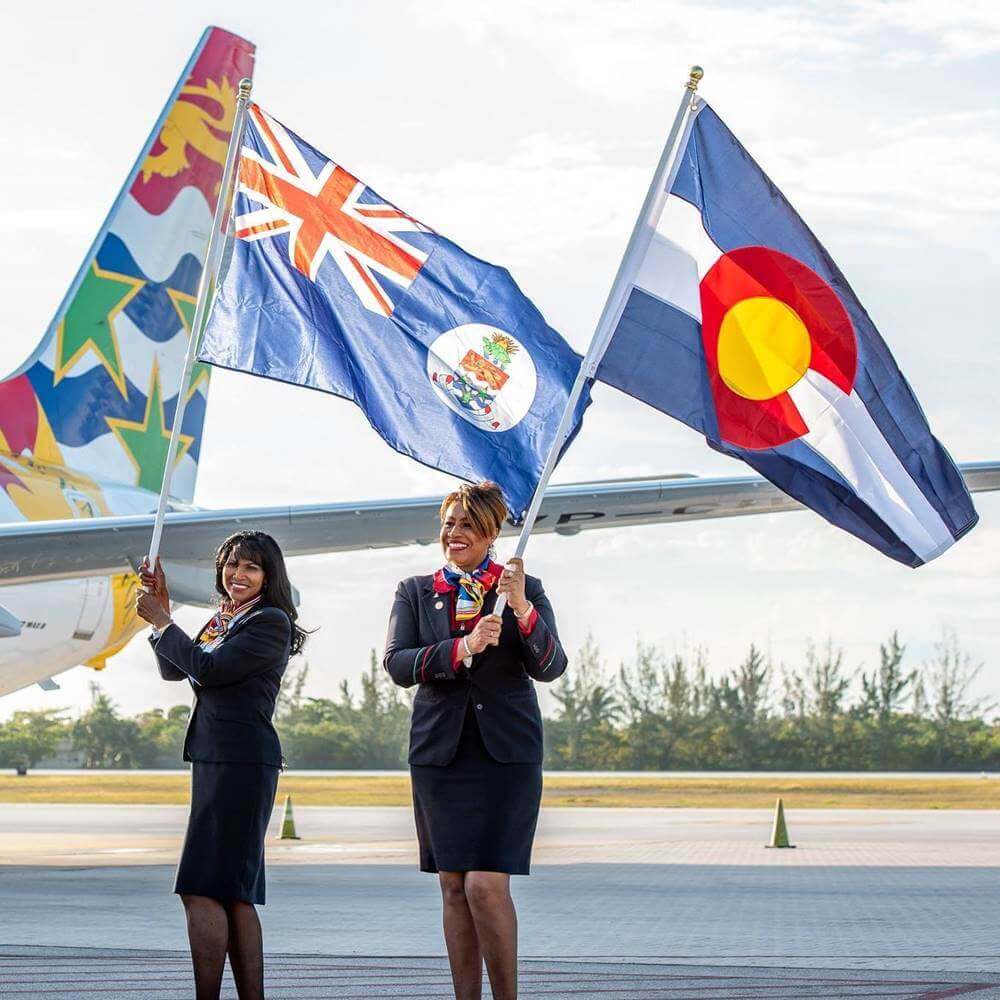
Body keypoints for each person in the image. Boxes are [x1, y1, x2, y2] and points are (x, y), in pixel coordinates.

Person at [383, 481, 567, 1000]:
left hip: (506, 754)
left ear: (491, 532)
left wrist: (522, 609)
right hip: (440, 754)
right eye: (449, 522)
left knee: (485, 885)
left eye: (467, 524)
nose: (454, 533)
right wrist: (460, 648)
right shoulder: (415, 591)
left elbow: (552, 666)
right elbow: (397, 664)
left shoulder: (523, 589)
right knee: (453, 886)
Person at [136, 530, 308, 1000]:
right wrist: (162, 619)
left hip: (240, 761)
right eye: (232, 565)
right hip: (222, 759)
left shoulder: (268, 621)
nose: (238, 575)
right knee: (232, 893)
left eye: (250, 567)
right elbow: (177, 668)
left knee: (201, 888)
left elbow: (208, 670)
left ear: (268, 576)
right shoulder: (226, 619)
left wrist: (164, 621)